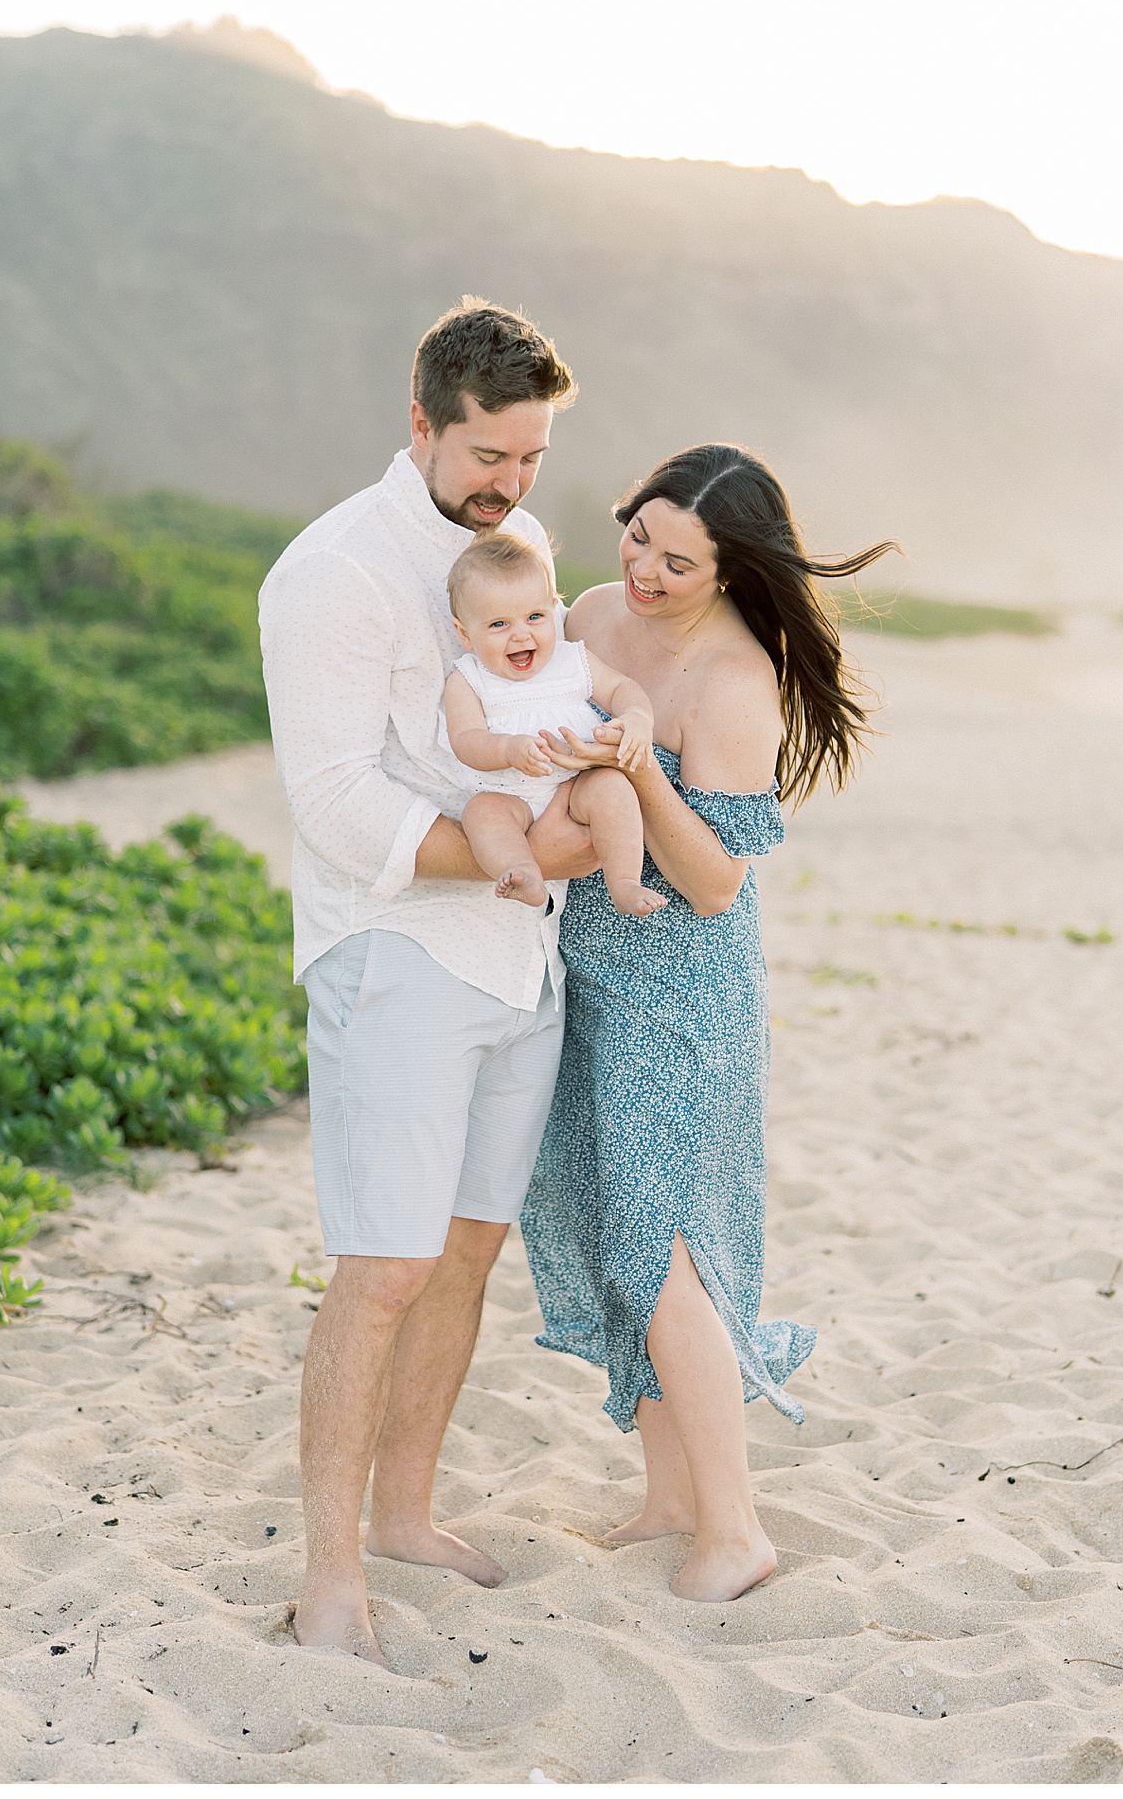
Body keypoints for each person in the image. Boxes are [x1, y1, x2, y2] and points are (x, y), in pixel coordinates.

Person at [258, 298, 593, 1667]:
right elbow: (335, 800)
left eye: (529, 457)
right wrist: (519, 855)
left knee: (466, 1247)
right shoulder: (329, 570)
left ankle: (404, 1511)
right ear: (420, 425)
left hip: (520, 955)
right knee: (384, 1260)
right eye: (485, 455)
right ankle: (329, 1569)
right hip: (395, 949)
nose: (508, 483)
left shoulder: (516, 549)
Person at [520, 444, 896, 1602]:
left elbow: (720, 879)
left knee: (666, 1239)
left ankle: (734, 1527)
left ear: (731, 572)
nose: (642, 570)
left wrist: (638, 774)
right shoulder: (585, 612)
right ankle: (670, 1496)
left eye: (677, 563)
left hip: (684, 986)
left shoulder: (735, 681)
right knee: (602, 1218)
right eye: (638, 536)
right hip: (583, 957)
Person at [442, 532, 666, 918]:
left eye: (535, 616)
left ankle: (625, 880)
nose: (521, 634)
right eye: (498, 624)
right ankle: (524, 870)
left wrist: (637, 718)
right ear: (465, 634)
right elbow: (466, 740)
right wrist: (508, 749)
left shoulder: (571, 660)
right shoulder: (468, 679)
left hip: (577, 784)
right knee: (482, 813)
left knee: (612, 787)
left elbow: (622, 689)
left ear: (553, 609)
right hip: (509, 794)